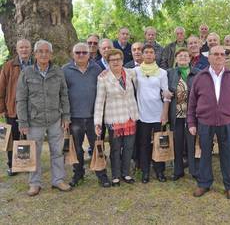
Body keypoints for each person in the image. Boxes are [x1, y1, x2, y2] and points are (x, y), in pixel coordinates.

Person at [188, 45, 230, 200]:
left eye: (222, 54)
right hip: (205, 122)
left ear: (225, 57)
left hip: (227, 122)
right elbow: (192, 102)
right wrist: (192, 123)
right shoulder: (200, 77)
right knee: (205, 153)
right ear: (209, 57)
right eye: (216, 54)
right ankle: (204, 183)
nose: (219, 56)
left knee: (228, 155)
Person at [16, 40, 71, 196]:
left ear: (51, 54)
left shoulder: (58, 71)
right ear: (35, 54)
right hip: (34, 121)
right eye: (40, 51)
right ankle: (34, 183)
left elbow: (64, 95)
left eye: (47, 51)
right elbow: (21, 99)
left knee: (57, 151)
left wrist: (66, 116)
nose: (44, 54)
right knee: (34, 153)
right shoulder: (26, 73)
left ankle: (58, 180)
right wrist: (23, 122)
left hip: (55, 119)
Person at [62, 42, 111, 188]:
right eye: (78, 52)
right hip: (74, 117)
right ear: (73, 54)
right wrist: (65, 116)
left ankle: (101, 174)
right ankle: (78, 174)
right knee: (77, 148)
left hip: (93, 117)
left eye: (84, 52)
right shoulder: (65, 70)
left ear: (89, 54)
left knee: (97, 146)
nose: (81, 55)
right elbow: (62, 94)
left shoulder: (97, 69)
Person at [94, 49, 139, 186]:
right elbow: (99, 101)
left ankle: (126, 173)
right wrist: (97, 122)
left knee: (129, 147)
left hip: (130, 117)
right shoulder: (103, 78)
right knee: (115, 148)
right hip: (114, 119)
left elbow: (138, 89)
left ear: (122, 60)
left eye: (118, 59)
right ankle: (115, 175)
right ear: (108, 62)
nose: (116, 62)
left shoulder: (131, 73)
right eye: (112, 60)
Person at [134, 44, 171, 183]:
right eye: (146, 52)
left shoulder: (162, 72)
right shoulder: (135, 71)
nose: (149, 54)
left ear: (155, 55)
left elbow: (166, 94)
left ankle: (159, 171)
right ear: (142, 55)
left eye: (151, 52)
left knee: (159, 143)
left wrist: (165, 113)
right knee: (143, 144)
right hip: (142, 114)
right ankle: (145, 171)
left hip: (158, 113)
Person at [0, 39, 32, 176]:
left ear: (30, 49)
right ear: (17, 49)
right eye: (21, 47)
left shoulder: (36, 64)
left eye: (26, 47)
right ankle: (13, 165)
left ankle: (25, 163)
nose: (24, 50)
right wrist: (2, 109)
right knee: (12, 138)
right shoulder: (9, 66)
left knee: (29, 137)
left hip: (32, 109)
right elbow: (1, 89)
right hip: (12, 109)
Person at [167, 48, 200, 180]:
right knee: (177, 143)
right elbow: (163, 90)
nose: (183, 58)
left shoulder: (197, 73)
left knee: (192, 143)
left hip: (192, 115)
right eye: (180, 56)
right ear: (176, 58)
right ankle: (178, 170)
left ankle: (194, 170)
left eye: (186, 56)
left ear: (190, 58)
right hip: (176, 115)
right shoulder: (170, 73)